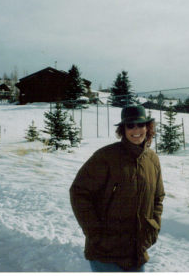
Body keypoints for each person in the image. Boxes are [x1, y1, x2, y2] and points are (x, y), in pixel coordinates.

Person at [70, 105, 165, 272]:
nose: (136, 129)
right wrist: (96, 234)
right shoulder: (106, 157)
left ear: (147, 128)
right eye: (130, 125)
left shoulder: (152, 159)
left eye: (140, 124)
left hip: (137, 252)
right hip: (106, 254)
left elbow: (158, 197)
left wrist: (153, 228)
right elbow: (79, 192)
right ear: (123, 129)